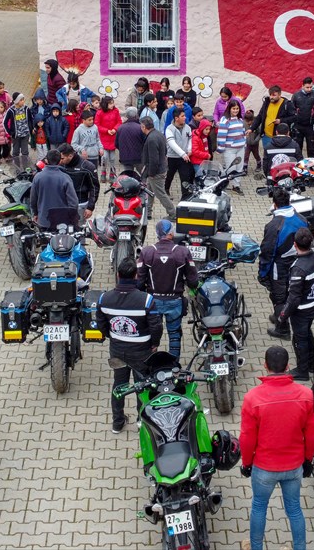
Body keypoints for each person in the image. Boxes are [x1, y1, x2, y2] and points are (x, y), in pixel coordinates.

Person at [239, 345, 314, 550]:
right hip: (293, 466)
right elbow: (312, 432)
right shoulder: (306, 395)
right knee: (294, 509)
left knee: (259, 507)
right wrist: (308, 460)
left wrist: (247, 463)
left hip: (264, 468)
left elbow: (247, 437)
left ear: (265, 366)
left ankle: (256, 547)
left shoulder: (252, 398)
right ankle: (299, 547)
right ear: (288, 366)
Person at [99, 257, 162, 434]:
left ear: (118, 275)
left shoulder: (104, 299)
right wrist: (154, 344)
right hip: (142, 353)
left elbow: (101, 323)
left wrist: (113, 338)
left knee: (119, 385)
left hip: (118, 351)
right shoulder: (146, 300)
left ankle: (117, 423)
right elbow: (155, 326)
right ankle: (142, 421)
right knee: (142, 385)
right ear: (136, 276)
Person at [138, 219, 199, 359]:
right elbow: (193, 282)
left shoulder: (147, 252)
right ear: (171, 233)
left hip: (153, 302)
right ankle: (174, 370)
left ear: (157, 233)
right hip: (175, 301)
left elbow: (140, 282)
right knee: (175, 336)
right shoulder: (183, 252)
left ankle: (151, 369)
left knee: (152, 337)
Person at [277, 228, 314, 381]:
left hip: (301, 310)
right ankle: (311, 364)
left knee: (300, 340)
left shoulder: (298, 269)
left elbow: (294, 298)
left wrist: (282, 316)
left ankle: (302, 371)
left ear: (295, 244)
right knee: (307, 334)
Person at [261, 188, 309, 337]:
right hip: (298, 263)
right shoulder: (302, 218)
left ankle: (282, 329)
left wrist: (262, 274)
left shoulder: (273, 226)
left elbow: (267, 253)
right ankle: (280, 317)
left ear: (275, 205)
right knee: (290, 293)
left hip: (279, 266)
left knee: (278, 297)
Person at [29, 149, 79, 229]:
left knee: (45, 241)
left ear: (46, 161)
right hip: (62, 222)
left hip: (43, 221)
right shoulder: (65, 178)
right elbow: (74, 202)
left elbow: (33, 200)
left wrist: (36, 213)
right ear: (60, 161)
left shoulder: (37, 177)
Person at [139, 117, 175, 220]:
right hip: (160, 168)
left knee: (160, 194)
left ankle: (173, 214)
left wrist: (151, 173)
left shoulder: (151, 139)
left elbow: (153, 159)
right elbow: (164, 151)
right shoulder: (159, 134)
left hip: (156, 172)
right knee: (149, 191)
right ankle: (148, 212)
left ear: (144, 127)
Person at [59, 143, 99, 220]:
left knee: (79, 230)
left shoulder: (87, 166)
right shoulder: (60, 164)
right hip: (62, 204)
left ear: (70, 156)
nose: (60, 161)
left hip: (80, 204)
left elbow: (94, 188)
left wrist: (90, 207)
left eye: (62, 158)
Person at [216, 99, 247, 194]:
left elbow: (242, 132)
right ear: (229, 109)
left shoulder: (240, 119)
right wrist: (220, 148)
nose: (235, 110)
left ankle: (236, 186)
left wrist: (244, 143)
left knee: (239, 168)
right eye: (233, 108)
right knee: (230, 169)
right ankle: (220, 183)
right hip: (229, 149)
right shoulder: (225, 120)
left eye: (237, 108)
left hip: (240, 148)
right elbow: (221, 136)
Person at [252, 86, 295, 150]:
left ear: (279, 95)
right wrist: (252, 128)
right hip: (266, 136)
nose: (271, 97)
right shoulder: (266, 102)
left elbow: (294, 117)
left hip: (280, 138)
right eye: (270, 95)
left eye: (274, 95)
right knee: (268, 156)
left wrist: (281, 121)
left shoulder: (287, 104)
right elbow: (260, 116)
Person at [165, 108, 194, 198]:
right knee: (170, 175)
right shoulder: (169, 129)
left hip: (183, 158)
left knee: (185, 177)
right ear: (176, 118)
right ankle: (166, 189)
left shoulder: (188, 127)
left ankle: (185, 196)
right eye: (182, 116)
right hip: (172, 157)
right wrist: (183, 154)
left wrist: (189, 149)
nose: (185, 117)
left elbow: (190, 139)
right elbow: (172, 143)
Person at [290, 77, 314, 157]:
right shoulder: (296, 95)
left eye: (311, 87)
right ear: (302, 86)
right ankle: (298, 166)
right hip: (298, 125)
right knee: (297, 147)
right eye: (307, 87)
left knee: (311, 149)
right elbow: (292, 109)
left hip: (310, 126)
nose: (309, 89)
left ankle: (312, 167)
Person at [96, 94, 123, 181]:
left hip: (113, 138)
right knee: (104, 157)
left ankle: (112, 174)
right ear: (105, 104)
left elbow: (119, 122)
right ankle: (103, 173)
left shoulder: (116, 111)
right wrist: (106, 130)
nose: (112, 105)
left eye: (112, 103)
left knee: (112, 158)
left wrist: (115, 129)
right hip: (103, 138)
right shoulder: (99, 112)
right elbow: (97, 125)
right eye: (110, 103)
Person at [4, 93, 34, 171]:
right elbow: (5, 122)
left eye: (23, 99)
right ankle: (17, 168)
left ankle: (26, 167)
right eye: (21, 100)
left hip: (25, 134)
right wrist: (10, 133)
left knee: (25, 152)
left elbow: (31, 119)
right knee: (15, 152)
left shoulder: (26, 109)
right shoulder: (11, 110)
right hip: (16, 136)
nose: (23, 101)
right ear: (16, 101)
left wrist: (31, 128)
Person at [116, 107, 145, 173]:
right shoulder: (140, 128)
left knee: (128, 176)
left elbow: (117, 144)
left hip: (125, 157)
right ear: (136, 115)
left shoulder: (120, 128)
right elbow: (144, 142)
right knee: (143, 175)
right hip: (139, 157)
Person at [243, 110, 263, 178]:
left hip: (254, 143)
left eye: (250, 121)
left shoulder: (256, 125)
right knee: (246, 155)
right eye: (247, 121)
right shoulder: (244, 124)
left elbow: (260, 133)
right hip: (247, 144)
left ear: (252, 120)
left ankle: (259, 164)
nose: (248, 123)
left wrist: (256, 140)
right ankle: (245, 168)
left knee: (256, 154)